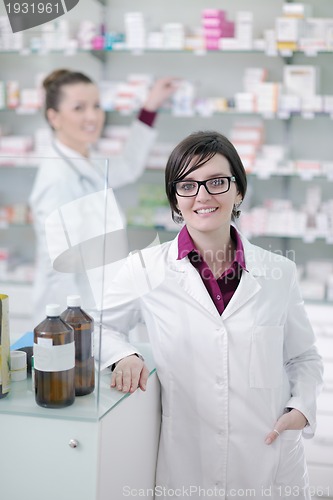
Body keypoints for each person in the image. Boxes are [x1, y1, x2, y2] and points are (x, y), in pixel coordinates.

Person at [97, 131, 323, 499]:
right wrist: (123, 354)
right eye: (187, 185)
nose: (202, 196)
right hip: (189, 460)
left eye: (217, 182)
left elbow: (304, 358)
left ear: (239, 191)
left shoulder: (279, 272)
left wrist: (300, 408)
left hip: (270, 457)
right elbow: (98, 325)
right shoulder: (145, 269)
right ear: (175, 198)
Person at [29, 69, 178, 323]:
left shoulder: (88, 162)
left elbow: (129, 166)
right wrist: (70, 329)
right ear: (54, 117)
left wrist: (150, 107)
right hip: (73, 318)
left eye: (96, 106)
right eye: (79, 108)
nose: (92, 116)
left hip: (100, 306)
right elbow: (57, 267)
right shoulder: (57, 177)